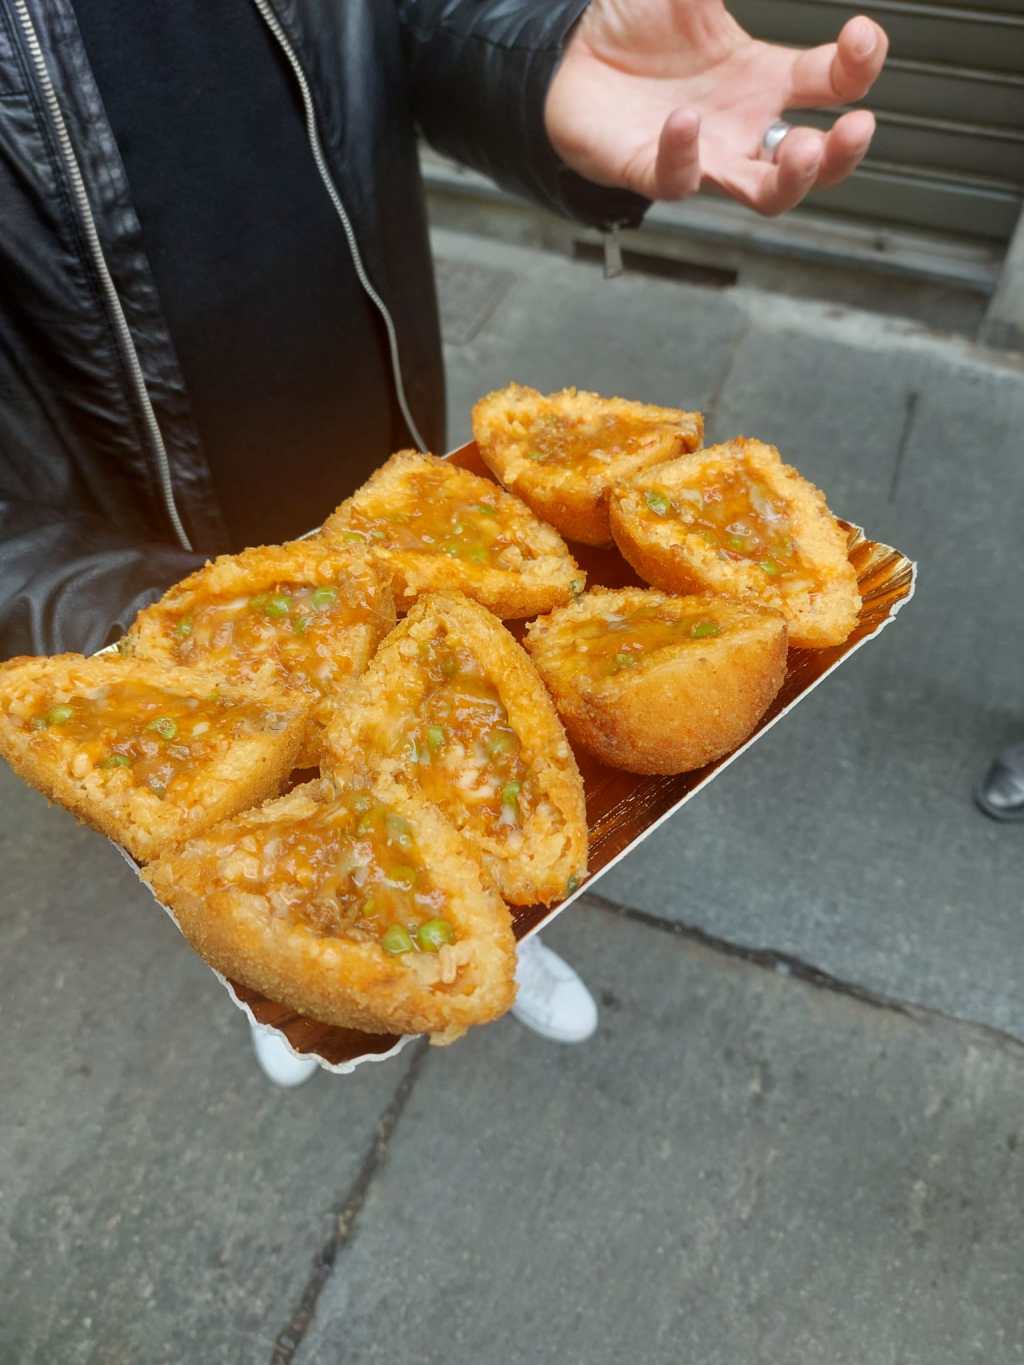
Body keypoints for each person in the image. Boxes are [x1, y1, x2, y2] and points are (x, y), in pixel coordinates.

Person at [0, 0, 888, 1084]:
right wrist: (171, 669)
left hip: (391, 464)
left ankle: (493, 915)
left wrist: (539, 66)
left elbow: (394, 22)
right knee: (280, 840)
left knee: (463, 762)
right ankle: (295, 966)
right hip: (140, 557)